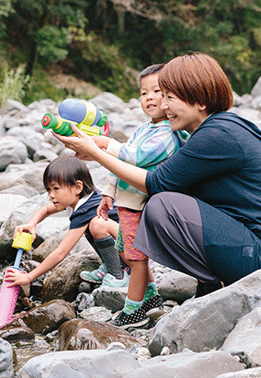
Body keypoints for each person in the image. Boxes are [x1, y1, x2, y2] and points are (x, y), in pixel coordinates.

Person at [53, 52, 261, 302]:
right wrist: (100, 154)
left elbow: (156, 183)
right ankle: (213, 284)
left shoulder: (217, 135)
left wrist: (96, 152)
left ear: (200, 101)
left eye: (170, 97)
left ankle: (215, 283)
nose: (164, 105)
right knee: (164, 200)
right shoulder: (215, 128)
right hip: (255, 246)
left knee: (161, 205)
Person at [86, 63, 188, 329]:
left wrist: (103, 145)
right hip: (126, 203)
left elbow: (136, 157)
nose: (150, 97)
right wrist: (109, 192)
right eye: (144, 93)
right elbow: (120, 165)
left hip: (141, 205)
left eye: (158, 91)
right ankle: (151, 296)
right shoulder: (144, 129)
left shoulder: (167, 133)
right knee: (128, 253)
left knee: (136, 257)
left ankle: (133, 311)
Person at [4, 155, 126, 290]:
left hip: (133, 249)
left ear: (77, 187)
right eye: (49, 189)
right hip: (124, 245)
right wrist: (32, 224)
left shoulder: (86, 209)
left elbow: (61, 252)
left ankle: (118, 274)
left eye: (56, 188)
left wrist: (28, 277)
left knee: (97, 225)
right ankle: (110, 265)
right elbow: (46, 210)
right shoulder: (79, 198)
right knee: (92, 226)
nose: (51, 195)